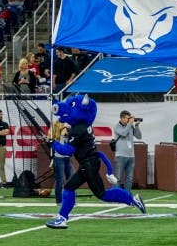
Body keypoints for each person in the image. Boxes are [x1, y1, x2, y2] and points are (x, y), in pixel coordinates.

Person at [45, 95, 146, 229]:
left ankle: (132, 200)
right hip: (88, 163)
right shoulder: (83, 124)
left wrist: (53, 144)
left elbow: (68, 150)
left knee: (101, 194)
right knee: (70, 187)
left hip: (88, 164)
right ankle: (62, 218)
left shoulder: (77, 129)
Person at [112, 110, 142, 193]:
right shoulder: (117, 126)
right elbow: (124, 133)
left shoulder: (130, 126)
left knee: (129, 178)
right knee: (118, 178)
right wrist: (130, 124)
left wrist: (137, 126)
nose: (129, 120)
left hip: (131, 156)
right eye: (127, 118)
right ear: (122, 118)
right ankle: (116, 195)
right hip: (121, 156)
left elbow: (139, 136)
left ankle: (127, 195)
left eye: (129, 118)